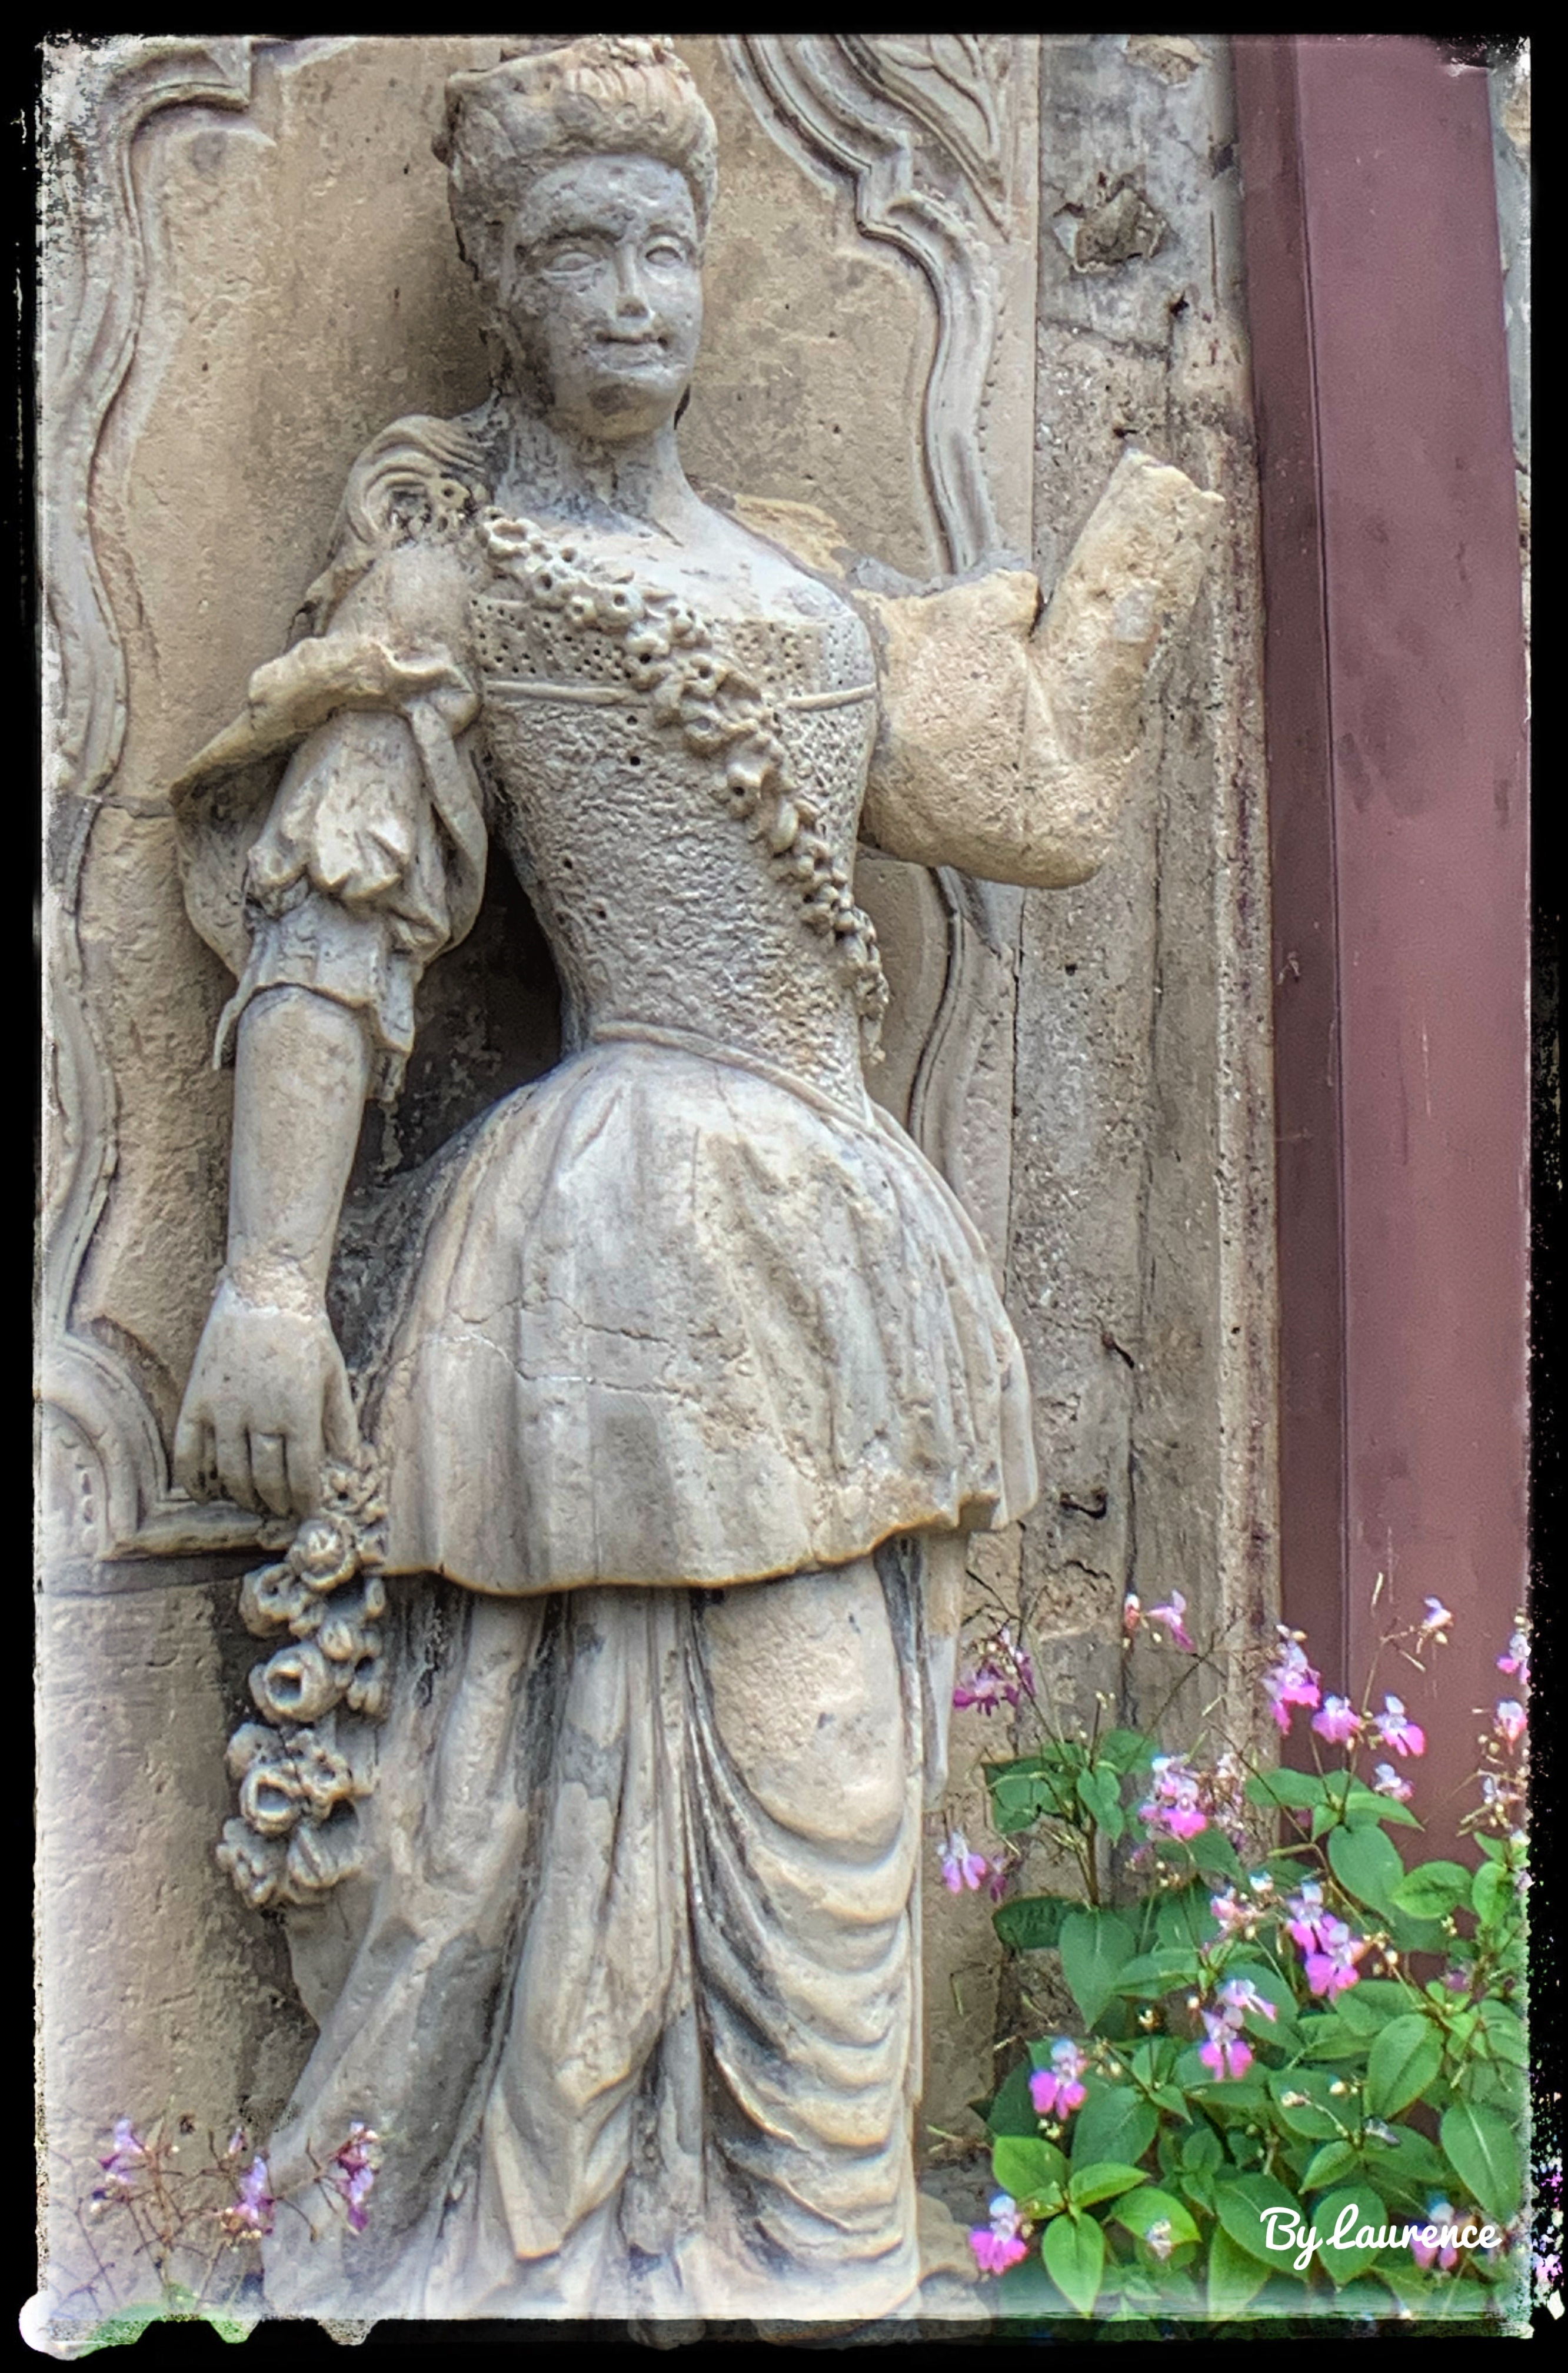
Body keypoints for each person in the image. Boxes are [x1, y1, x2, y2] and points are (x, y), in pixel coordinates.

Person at [171, 35, 1220, 2325]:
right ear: (505, 285)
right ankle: (618, 2236)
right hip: (623, 1222)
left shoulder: (793, 585)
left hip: (829, 1226)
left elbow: (1040, 802)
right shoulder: (462, 580)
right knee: (593, 1785)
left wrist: (1158, 532)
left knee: (840, 1761)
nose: (634, 295)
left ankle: (804, 2240)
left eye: (663, 247)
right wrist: (261, 1283)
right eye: (579, 253)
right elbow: (341, 923)